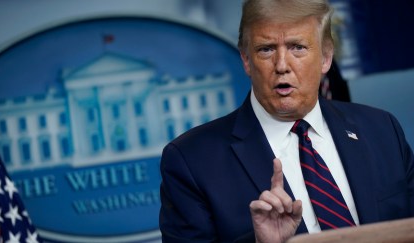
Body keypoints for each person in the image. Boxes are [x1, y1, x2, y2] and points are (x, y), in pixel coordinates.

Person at [159, 0, 414, 242]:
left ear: (326, 57)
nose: (282, 65)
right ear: (246, 60)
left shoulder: (381, 129)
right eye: (266, 49)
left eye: (297, 47)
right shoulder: (191, 161)